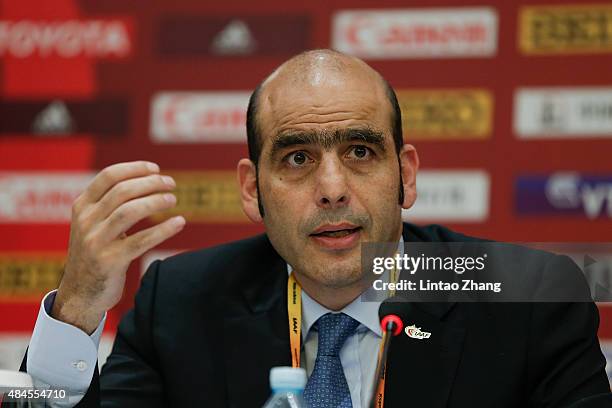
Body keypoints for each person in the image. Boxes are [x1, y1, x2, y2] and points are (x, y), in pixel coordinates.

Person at [11, 49, 610, 407]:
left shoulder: (525, 297)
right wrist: (79, 308)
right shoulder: (182, 303)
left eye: (360, 151)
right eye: (297, 158)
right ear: (253, 190)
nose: (331, 188)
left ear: (406, 174)